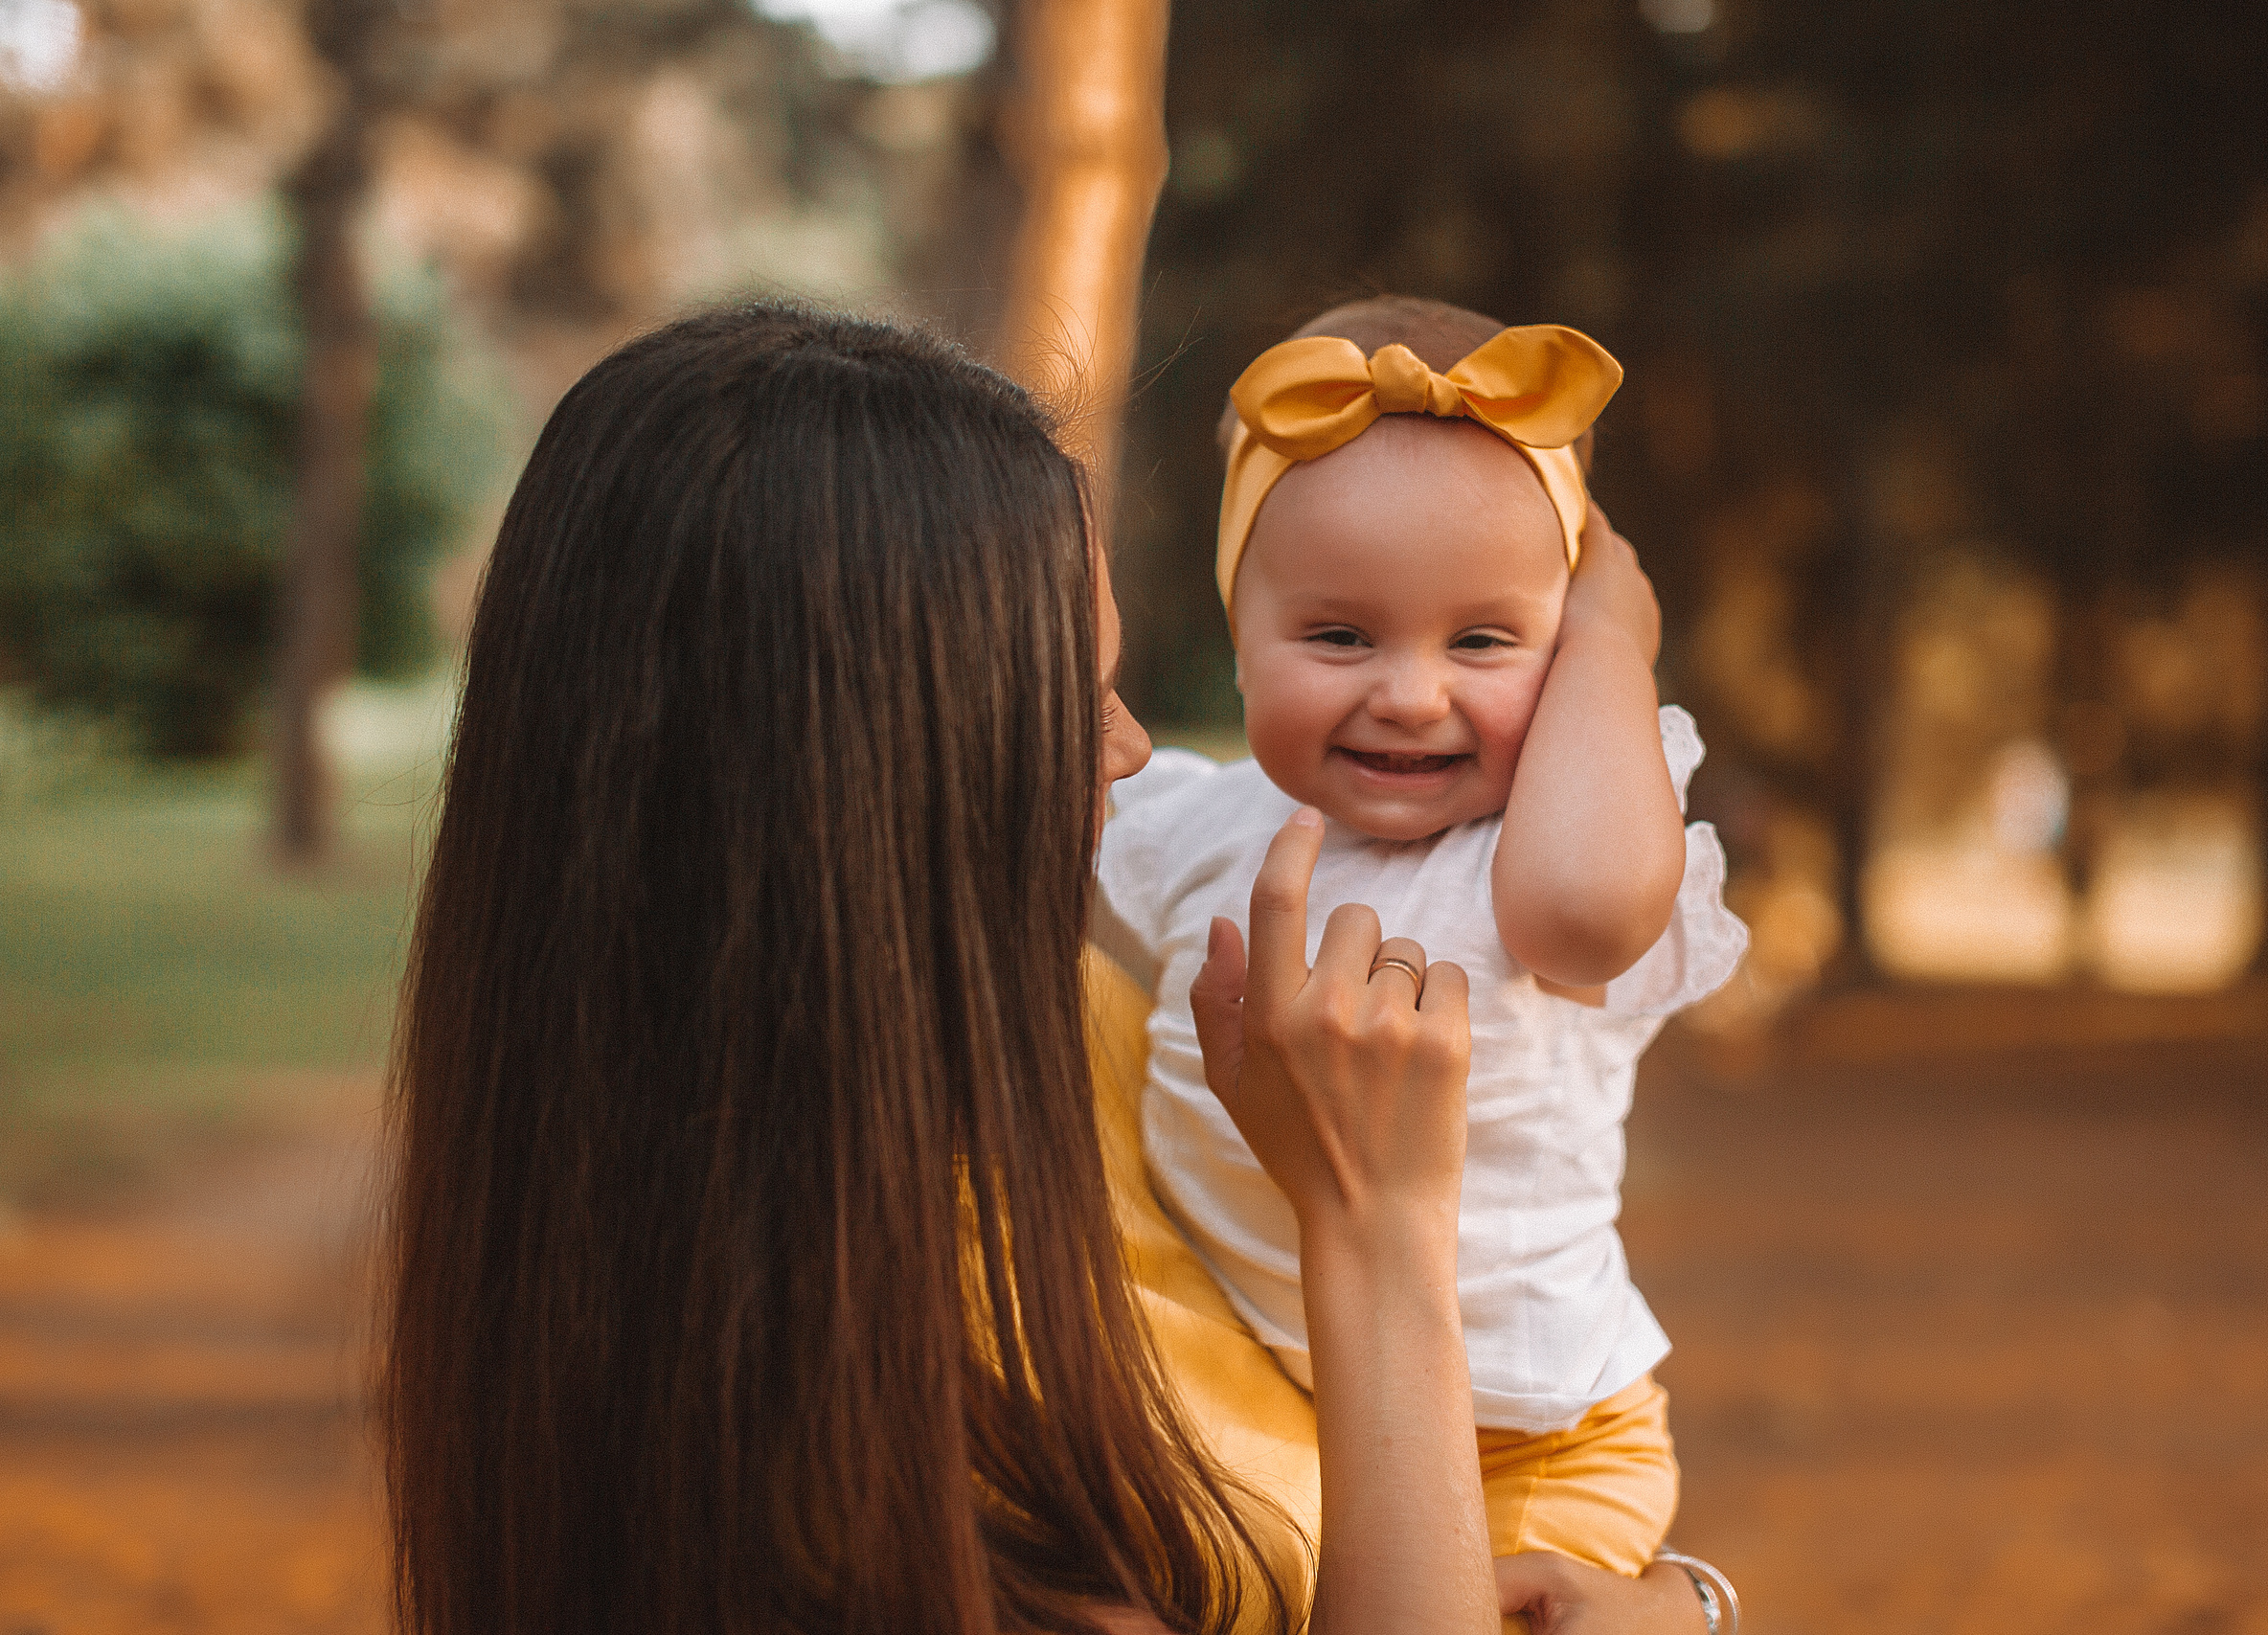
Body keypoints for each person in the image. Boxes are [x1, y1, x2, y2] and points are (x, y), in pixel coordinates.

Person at [381, 302, 1712, 1634]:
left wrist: (1686, 1606)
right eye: (1073, 694)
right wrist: (1381, 1229)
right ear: (863, 763)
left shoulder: (1073, 1024)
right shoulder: (842, 1381)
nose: (1132, 752)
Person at [1093, 296, 1751, 1595]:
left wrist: (1613, 632)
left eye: (1485, 640)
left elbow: (1585, 914)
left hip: (1530, 1449)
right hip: (1246, 1420)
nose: (1409, 694)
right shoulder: (1189, 829)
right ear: (1239, 636)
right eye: (1339, 635)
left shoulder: (1547, 846)